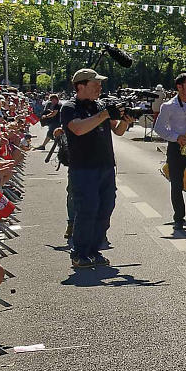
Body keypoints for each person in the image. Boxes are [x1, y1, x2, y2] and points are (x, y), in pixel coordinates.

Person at [59, 67, 132, 269]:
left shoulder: (99, 105)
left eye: (100, 84)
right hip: (83, 168)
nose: (99, 87)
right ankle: (79, 253)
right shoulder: (70, 107)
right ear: (80, 86)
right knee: (86, 210)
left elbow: (117, 131)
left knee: (106, 207)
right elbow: (78, 128)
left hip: (106, 166)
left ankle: (94, 250)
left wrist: (126, 121)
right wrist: (103, 115)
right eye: (95, 84)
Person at [151, 72, 186, 232]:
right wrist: (176, 137)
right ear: (179, 87)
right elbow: (159, 128)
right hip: (176, 148)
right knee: (176, 185)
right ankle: (179, 218)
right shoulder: (169, 106)